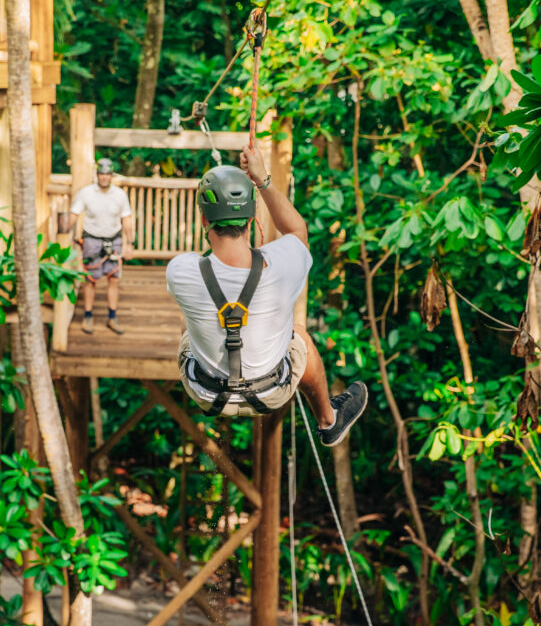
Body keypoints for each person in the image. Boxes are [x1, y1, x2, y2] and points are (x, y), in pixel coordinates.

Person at [165, 145, 366, 446]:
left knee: (188, 327)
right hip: (271, 393)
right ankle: (328, 420)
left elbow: (207, 263)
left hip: (206, 394)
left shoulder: (181, 271)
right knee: (300, 336)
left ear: (205, 222)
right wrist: (262, 179)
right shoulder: (282, 265)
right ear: (250, 220)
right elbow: (297, 230)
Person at [69, 157, 134, 334]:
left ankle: (112, 317)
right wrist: (64, 230)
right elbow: (74, 214)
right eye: (101, 174)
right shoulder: (86, 193)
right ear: (97, 175)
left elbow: (126, 218)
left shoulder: (120, 195)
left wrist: (130, 243)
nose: (104, 177)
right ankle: (88, 316)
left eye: (107, 174)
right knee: (90, 280)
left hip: (114, 240)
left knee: (113, 279)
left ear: (111, 176)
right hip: (92, 240)